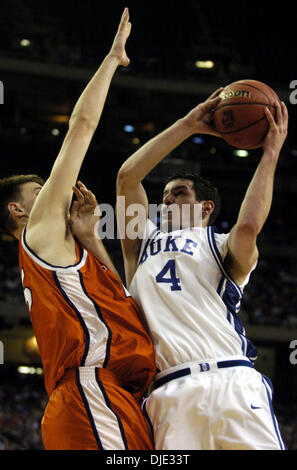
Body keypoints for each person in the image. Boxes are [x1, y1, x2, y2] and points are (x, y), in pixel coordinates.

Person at [0, 9, 156, 450]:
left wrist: (90, 238)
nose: (53, 192)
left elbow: (118, 301)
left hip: (109, 393)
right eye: (40, 190)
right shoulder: (39, 233)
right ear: (18, 211)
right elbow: (81, 128)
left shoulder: (64, 254)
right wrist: (112, 59)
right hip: (89, 390)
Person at [113, 89, 289, 450]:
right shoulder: (140, 242)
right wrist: (188, 124)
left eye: (178, 194)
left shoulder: (220, 242)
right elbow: (128, 177)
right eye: (163, 197)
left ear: (206, 206)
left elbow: (248, 226)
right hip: (170, 390)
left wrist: (270, 153)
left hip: (233, 380)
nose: (166, 201)